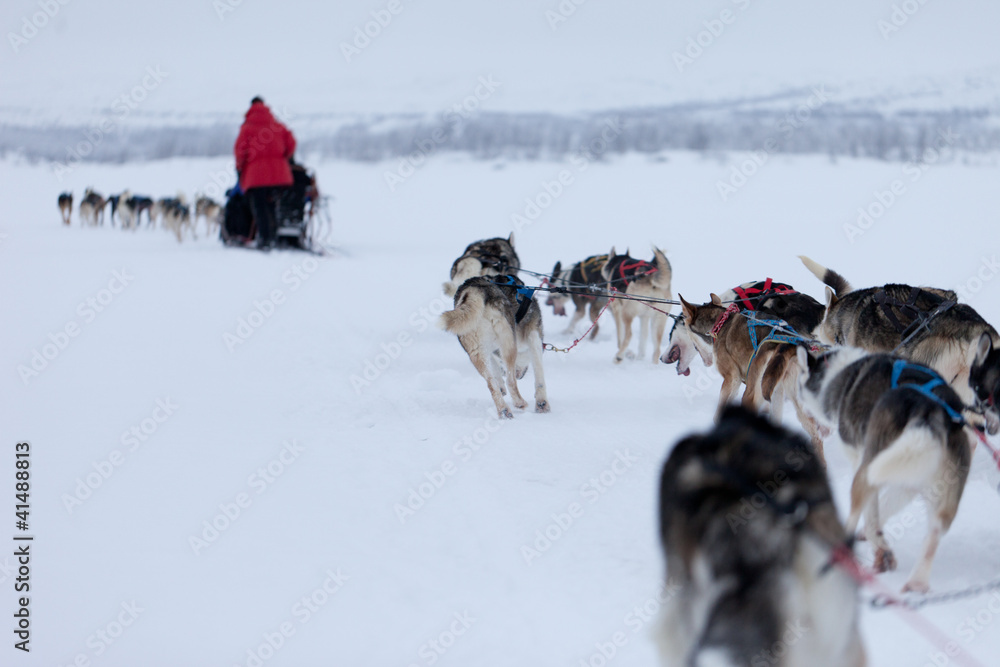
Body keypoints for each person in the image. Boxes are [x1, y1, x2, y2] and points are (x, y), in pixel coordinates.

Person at [234, 96, 296, 249]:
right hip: (279, 174)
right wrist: (283, 158)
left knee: (260, 208)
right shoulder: (277, 125)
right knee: (272, 205)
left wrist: (240, 168)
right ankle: (274, 237)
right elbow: (291, 143)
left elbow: (240, 151)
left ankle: (265, 239)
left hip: (256, 176)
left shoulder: (247, 127)